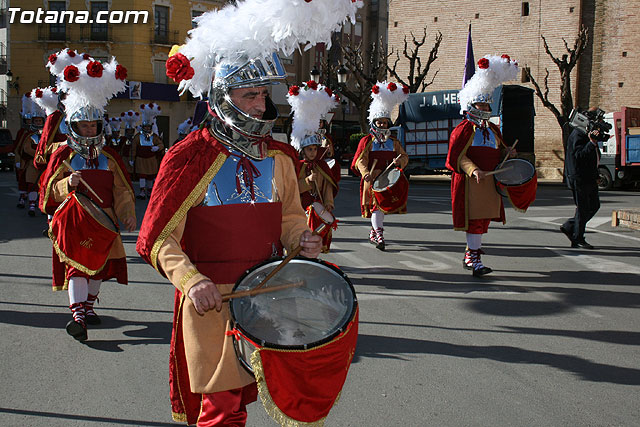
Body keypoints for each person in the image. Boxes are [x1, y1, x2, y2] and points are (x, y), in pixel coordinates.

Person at [136, 0, 363, 423]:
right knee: (220, 408)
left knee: (244, 400)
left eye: (263, 94)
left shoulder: (278, 158)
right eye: (249, 95)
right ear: (223, 98)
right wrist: (191, 280)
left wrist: (302, 240)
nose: (261, 105)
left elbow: (292, 219)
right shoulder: (188, 158)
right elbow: (157, 238)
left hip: (270, 294)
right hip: (212, 299)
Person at [39, 56, 135, 341]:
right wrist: (67, 183)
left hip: (104, 221)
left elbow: (121, 190)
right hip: (75, 219)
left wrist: (128, 212)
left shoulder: (109, 157)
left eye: (94, 125)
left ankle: (88, 308)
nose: (90, 130)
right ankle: (77, 316)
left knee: (98, 269)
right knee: (76, 267)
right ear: (75, 127)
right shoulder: (63, 155)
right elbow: (46, 190)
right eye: (84, 126)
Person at [446, 54, 519, 277]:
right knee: (475, 221)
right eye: (482, 103)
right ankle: (474, 258)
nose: (486, 106)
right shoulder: (464, 129)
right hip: (472, 183)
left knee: (483, 221)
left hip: (490, 183)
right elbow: (456, 157)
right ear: (472, 104)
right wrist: (473, 169)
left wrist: (508, 152)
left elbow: (500, 150)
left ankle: (471, 253)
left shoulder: (493, 129)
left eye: (488, 102)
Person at [351, 81, 409, 251]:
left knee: (381, 209)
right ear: (374, 123)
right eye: (380, 122)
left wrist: (400, 162)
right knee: (376, 207)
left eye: (385, 122)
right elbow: (360, 160)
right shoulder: (367, 141)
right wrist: (365, 173)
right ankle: (378, 233)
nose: (383, 125)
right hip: (373, 178)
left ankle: (374, 231)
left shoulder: (394, 142)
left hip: (388, 179)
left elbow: (405, 156)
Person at [288, 81, 340, 252]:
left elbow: (327, 188)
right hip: (298, 210)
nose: (313, 152)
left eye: (315, 149)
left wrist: (329, 203)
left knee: (314, 242)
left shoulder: (321, 166)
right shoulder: (296, 166)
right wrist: (307, 181)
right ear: (303, 151)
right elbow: (290, 189)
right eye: (309, 149)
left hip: (315, 207)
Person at [560, 112, 603, 249]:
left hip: (589, 177)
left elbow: (592, 159)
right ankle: (577, 237)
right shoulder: (578, 134)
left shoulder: (585, 134)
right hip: (579, 177)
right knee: (583, 208)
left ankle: (570, 227)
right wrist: (592, 143)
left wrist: (596, 175)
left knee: (594, 205)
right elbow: (579, 156)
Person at [132, 103, 164, 200]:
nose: (147, 129)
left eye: (148, 127)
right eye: (145, 127)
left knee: (150, 176)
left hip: (151, 160)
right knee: (142, 176)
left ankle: (149, 191)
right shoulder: (138, 136)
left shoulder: (154, 137)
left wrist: (157, 148)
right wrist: (132, 158)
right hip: (141, 159)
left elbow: (161, 144)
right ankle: (142, 191)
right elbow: (134, 147)